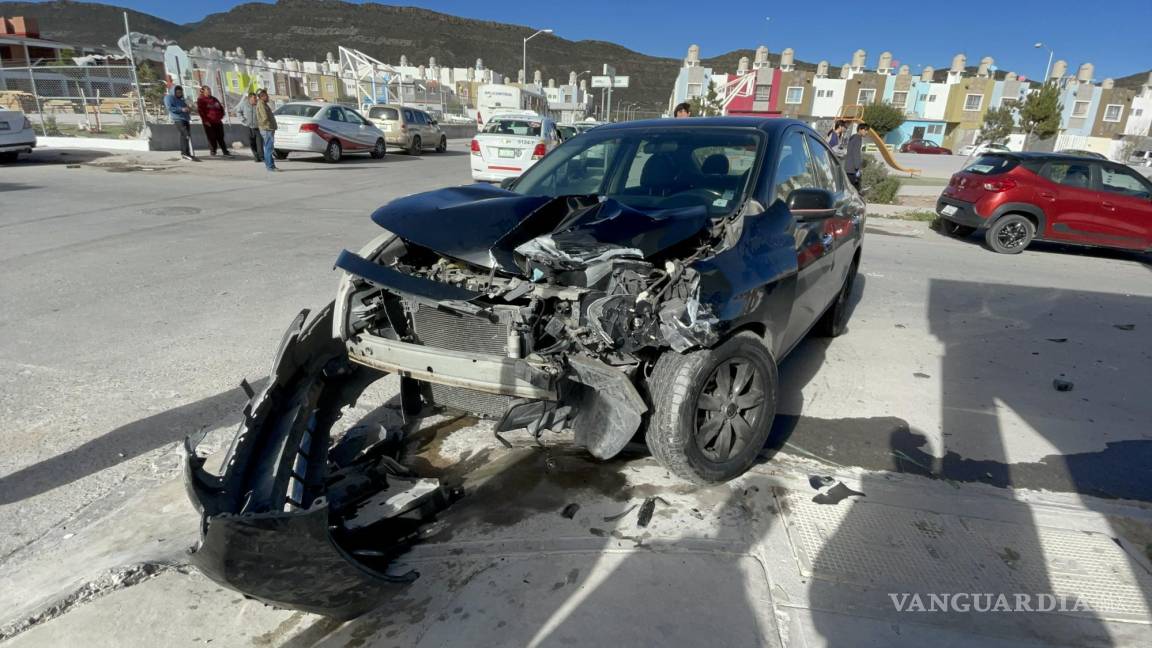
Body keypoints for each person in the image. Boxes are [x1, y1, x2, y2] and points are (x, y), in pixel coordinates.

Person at [163, 85, 196, 161]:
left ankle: (187, 153)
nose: (179, 93)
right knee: (185, 134)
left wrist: (190, 107)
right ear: (174, 92)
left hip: (185, 119)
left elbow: (189, 108)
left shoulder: (182, 99)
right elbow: (170, 108)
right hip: (178, 119)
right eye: (177, 92)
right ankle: (184, 153)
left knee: (185, 136)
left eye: (180, 92)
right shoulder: (169, 98)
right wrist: (181, 109)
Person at [196, 86, 230, 156]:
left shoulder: (214, 99)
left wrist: (221, 115)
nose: (209, 91)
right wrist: (205, 121)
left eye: (209, 90)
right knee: (211, 137)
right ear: (203, 91)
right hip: (209, 122)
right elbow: (201, 111)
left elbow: (220, 108)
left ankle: (225, 150)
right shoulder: (201, 100)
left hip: (217, 121)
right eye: (207, 90)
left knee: (220, 137)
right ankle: (213, 151)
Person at [235, 92, 263, 163]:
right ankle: (256, 157)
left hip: (257, 127)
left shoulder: (258, 104)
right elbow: (238, 112)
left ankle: (261, 157)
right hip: (247, 127)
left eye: (256, 98)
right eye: (254, 98)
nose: (255, 99)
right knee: (252, 143)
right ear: (249, 98)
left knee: (259, 143)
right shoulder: (244, 104)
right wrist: (243, 120)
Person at [255, 89, 278, 172]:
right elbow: (264, 117)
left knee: (269, 148)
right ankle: (270, 166)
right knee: (269, 148)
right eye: (266, 95)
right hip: (267, 129)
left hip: (268, 128)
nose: (267, 96)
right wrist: (265, 125)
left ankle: (271, 165)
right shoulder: (261, 104)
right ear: (261, 96)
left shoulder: (263, 104)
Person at [843, 123, 867, 191]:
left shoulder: (853, 137)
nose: (866, 132)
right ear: (860, 129)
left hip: (848, 167)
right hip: (852, 169)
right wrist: (858, 168)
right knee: (853, 190)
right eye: (865, 130)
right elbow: (856, 153)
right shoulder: (858, 138)